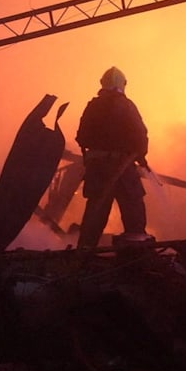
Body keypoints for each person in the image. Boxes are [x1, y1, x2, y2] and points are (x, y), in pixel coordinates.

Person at [75, 66, 152, 248]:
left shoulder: (92, 106)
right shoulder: (126, 105)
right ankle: (135, 256)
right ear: (122, 84)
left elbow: (81, 136)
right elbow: (141, 133)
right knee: (133, 210)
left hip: (97, 170)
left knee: (95, 212)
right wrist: (141, 155)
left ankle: (84, 253)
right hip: (122, 167)